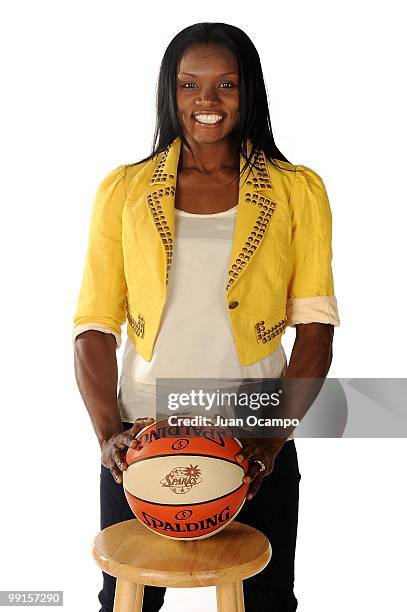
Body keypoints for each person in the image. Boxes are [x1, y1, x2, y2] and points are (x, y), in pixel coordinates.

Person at [73, 22, 340, 612]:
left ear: (251, 93)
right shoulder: (124, 191)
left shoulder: (298, 192)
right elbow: (94, 327)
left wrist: (268, 444)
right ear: (170, 92)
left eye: (226, 85)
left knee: (266, 601)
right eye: (189, 84)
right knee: (125, 601)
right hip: (145, 438)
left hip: (254, 436)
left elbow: (315, 333)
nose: (206, 101)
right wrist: (108, 435)